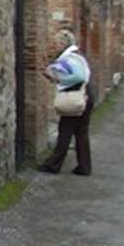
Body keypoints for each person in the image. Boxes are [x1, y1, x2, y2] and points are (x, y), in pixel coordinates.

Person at [38, 28, 93, 176]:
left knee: (65, 131)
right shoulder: (76, 56)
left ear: (64, 43)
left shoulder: (70, 58)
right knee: (81, 133)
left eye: (57, 43)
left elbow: (78, 77)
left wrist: (58, 79)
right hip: (85, 96)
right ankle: (84, 167)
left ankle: (53, 165)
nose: (54, 46)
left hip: (75, 98)